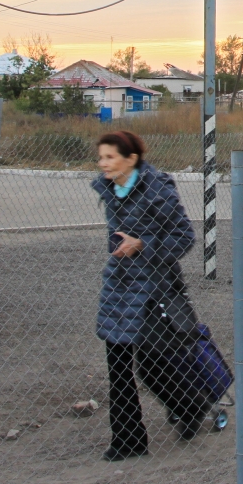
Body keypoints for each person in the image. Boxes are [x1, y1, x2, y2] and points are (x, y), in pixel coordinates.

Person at [91, 131, 200, 462]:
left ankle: (190, 408)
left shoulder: (156, 190)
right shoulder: (110, 188)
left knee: (152, 367)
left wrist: (143, 245)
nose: (103, 164)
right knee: (118, 366)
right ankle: (129, 440)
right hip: (120, 285)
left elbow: (184, 237)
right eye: (101, 157)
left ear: (131, 159)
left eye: (110, 157)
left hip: (155, 290)